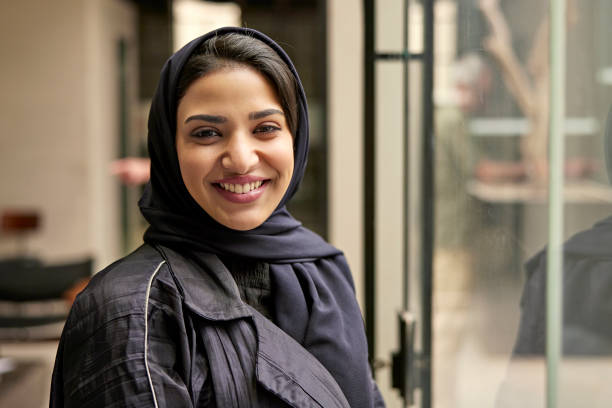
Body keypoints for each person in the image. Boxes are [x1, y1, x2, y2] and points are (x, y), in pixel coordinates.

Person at [50, 27, 384, 407]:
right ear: (168, 147)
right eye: (207, 133)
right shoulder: (130, 308)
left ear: (296, 137)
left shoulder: (322, 271)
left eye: (266, 128)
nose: (240, 158)